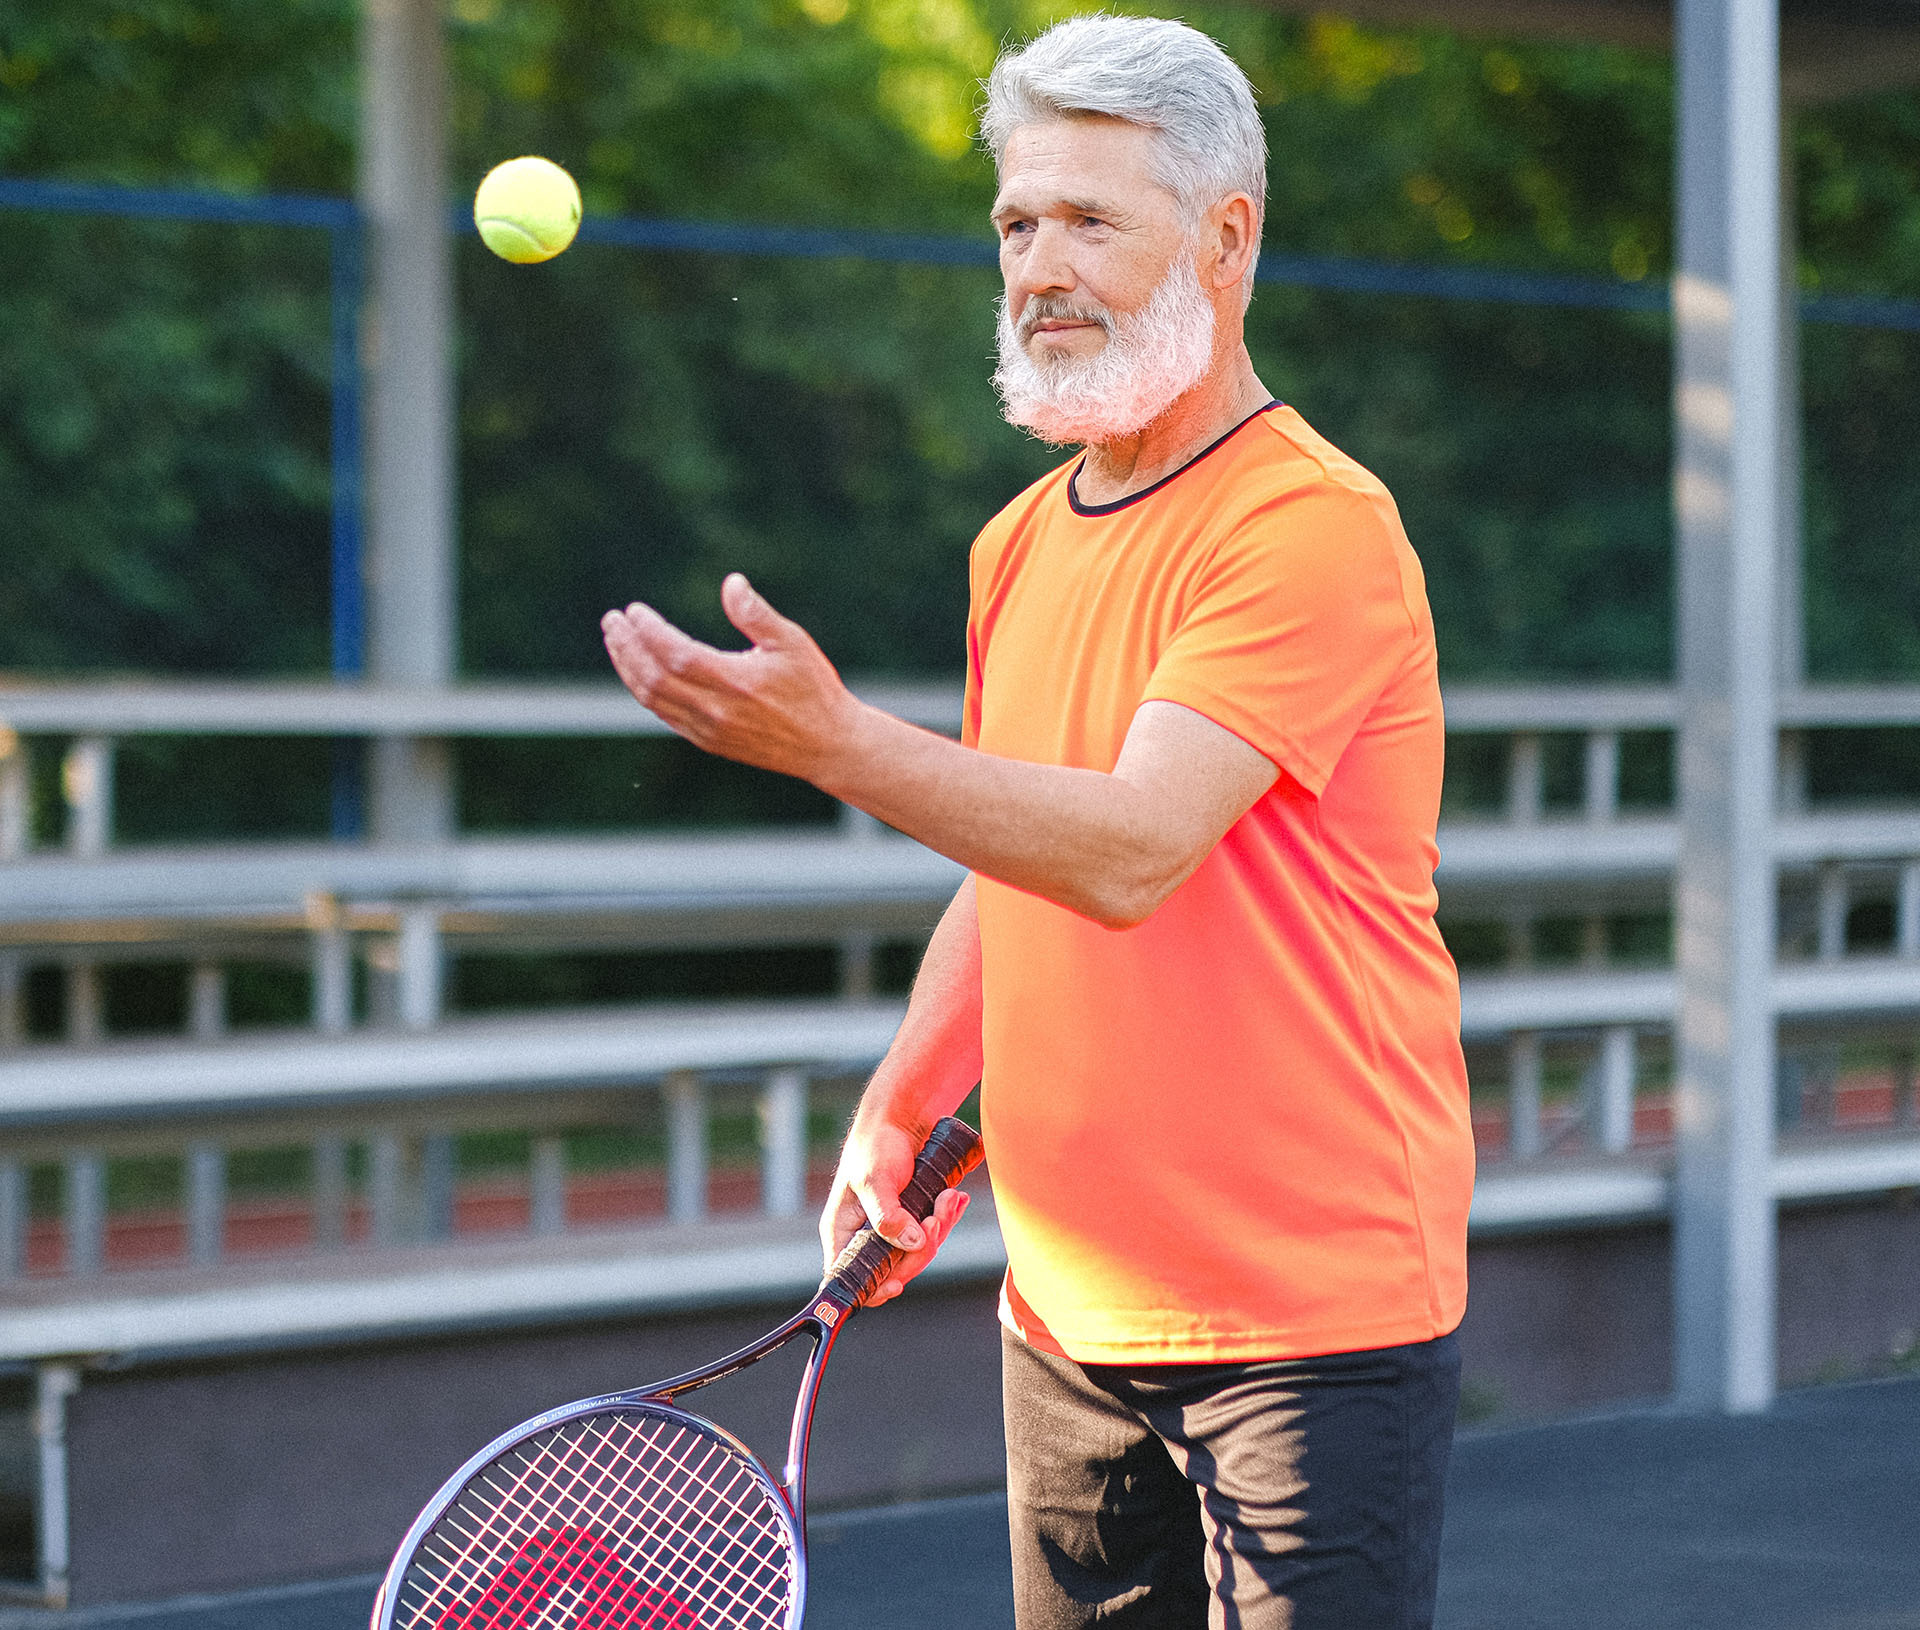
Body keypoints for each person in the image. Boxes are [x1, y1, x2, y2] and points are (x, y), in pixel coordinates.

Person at [601, 14, 1475, 1627]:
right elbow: (1023, 854)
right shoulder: (1017, 541)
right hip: (1066, 1311)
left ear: (1225, 239)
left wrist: (837, 744)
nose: (1040, 268)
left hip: (1307, 1316)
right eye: (1016, 223)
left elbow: (1130, 847)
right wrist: (907, 1090)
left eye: (1089, 220)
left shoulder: (1311, 527)